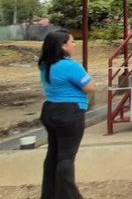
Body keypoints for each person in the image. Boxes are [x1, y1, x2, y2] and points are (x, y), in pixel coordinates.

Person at [38, 30, 95, 199]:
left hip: (50, 108)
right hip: (69, 111)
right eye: (72, 41)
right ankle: (69, 195)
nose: (74, 44)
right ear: (63, 45)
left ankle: (49, 194)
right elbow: (90, 87)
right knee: (67, 157)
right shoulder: (70, 66)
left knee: (53, 154)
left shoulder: (44, 64)